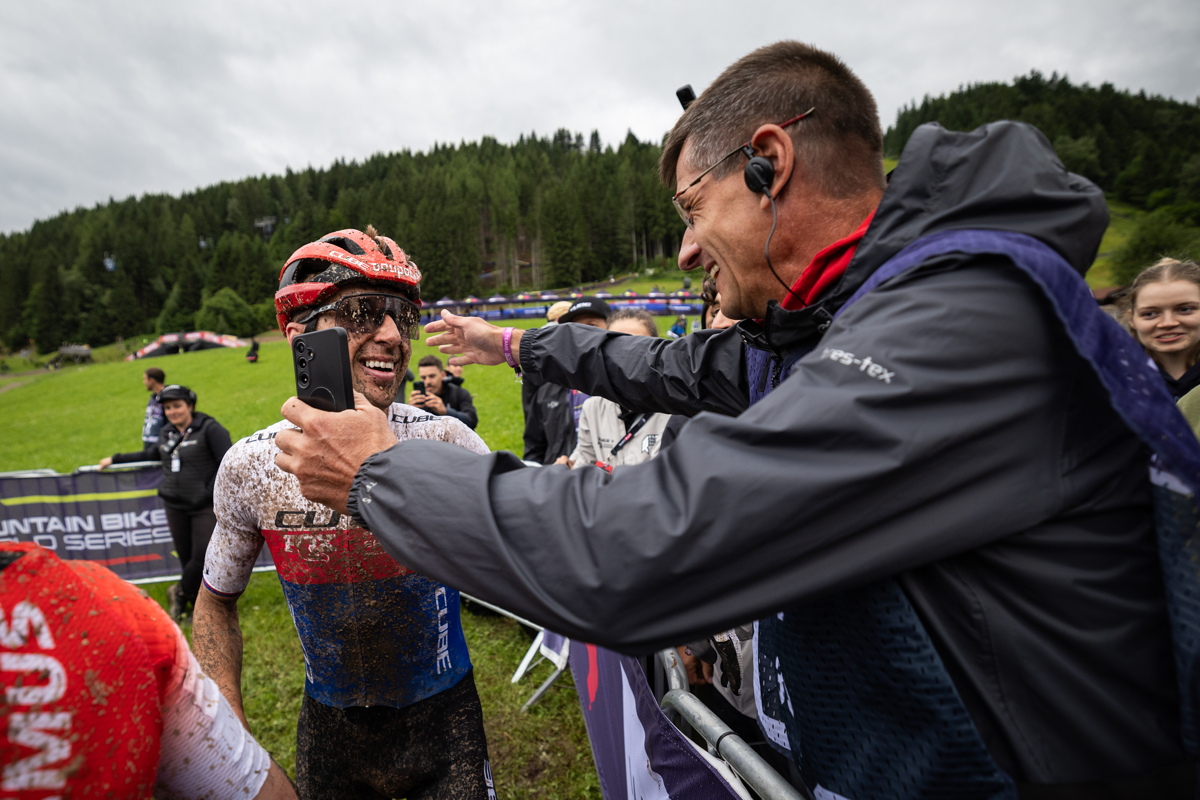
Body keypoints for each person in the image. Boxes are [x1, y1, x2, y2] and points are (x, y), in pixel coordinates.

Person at [273, 43, 1196, 798]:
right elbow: (661, 365)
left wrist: (377, 468)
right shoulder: (832, 323)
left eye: (690, 207)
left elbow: (639, 549)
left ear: (770, 163)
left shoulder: (958, 329)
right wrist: (517, 348)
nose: (681, 248)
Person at [194, 227, 495, 800]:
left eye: (400, 316)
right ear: (298, 334)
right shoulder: (252, 465)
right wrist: (227, 721)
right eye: (361, 312)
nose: (391, 335)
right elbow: (215, 603)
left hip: (445, 721)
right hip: (330, 734)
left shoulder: (445, 438)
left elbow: (527, 554)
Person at [0, 541, 296, 799]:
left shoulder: (112, 609)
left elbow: (244, 785)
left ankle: (180, 593)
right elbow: (248, 787)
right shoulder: (105, 600)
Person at [100, 383, 231, 622]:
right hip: (174, 504)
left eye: (177, 405)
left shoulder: (210, 429)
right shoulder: (166, 432)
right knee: (185, 556)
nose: (173, 411)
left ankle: (179, 592)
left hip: (204, 505)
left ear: (190, 405)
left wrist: (210, 492)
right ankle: (192, 606)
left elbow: (227, 461)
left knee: (203, 554)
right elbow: (151, 454)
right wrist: (115, 459)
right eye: (168, 408)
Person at [567, 309, 672, 471]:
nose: (625, 359)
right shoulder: (593, 408)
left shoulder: (675, 411)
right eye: (615, 348)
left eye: (638, 347)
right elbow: (584, 465)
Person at [1124, 257, 1200, 398]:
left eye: (1185, 309)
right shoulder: (1111, 381)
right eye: (1150, 314)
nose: (1167, 323)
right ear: (1131, 319)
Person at [408, 354, 479, 429]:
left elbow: (472, 421)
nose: (427, 382)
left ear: (442, 375)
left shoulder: (459, 393)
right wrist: (409, 411)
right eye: (423, 377)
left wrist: (446, 411)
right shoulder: (418, 400)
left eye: (432, 376)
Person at [141, 366, 166, 447]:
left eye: (145, 379)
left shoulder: (167, 398)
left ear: (151, 380)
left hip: (160, 444)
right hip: (149, 442)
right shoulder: (153, 398)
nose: (144, 382)